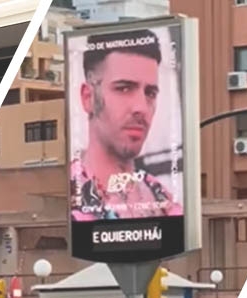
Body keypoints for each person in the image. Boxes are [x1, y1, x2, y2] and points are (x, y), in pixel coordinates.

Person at [70, 29, 182, 221]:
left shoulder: (164, 200)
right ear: (87, 98)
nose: (141, 108)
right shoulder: (69, 195)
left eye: (150, 93)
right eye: (124, 88)